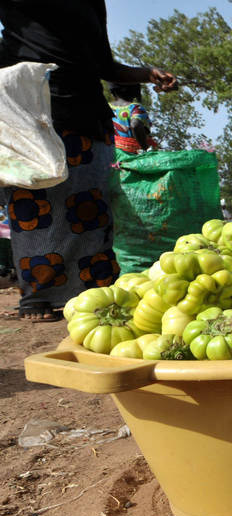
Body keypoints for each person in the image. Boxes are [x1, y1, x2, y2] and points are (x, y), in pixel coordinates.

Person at [0, 0, 177, 321]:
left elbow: (103, 64)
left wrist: (147, 74)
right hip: (32, 111)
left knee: (91, 208)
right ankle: (37, 297)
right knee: (35, 204)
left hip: (86, 113)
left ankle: (95, 293)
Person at [108, 82, 152, 154]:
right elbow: (135, 125)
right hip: (133, 156)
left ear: (112, 92)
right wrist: (145, 148)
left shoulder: (106, 108)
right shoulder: (135, 108)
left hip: (111, 155)